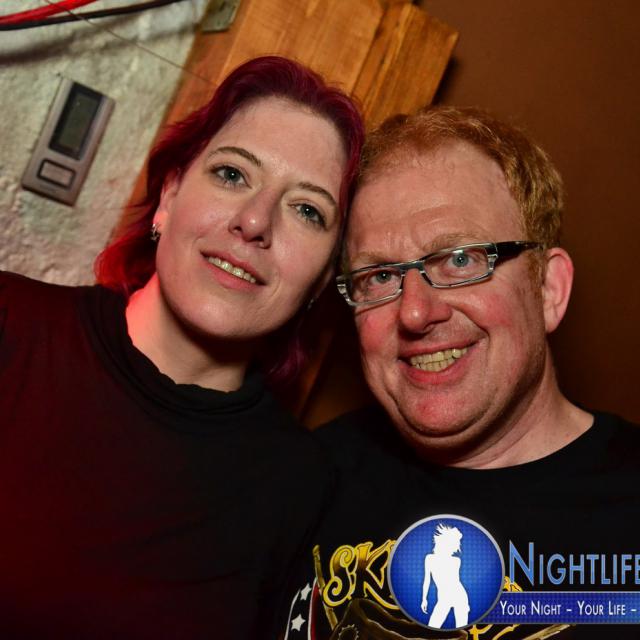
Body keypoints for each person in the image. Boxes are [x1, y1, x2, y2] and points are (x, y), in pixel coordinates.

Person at [0, 56, 364, 639]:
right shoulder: (10, 325)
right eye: (232, 174)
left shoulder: (301, 491)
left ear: (322, 278)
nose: (255, 221)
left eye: (307, 210)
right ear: (169, 195)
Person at [280, 107, 640, 640]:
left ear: (548, 290)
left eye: (460, 260)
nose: (415, 312)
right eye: (380, 276)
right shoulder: (301, 481)